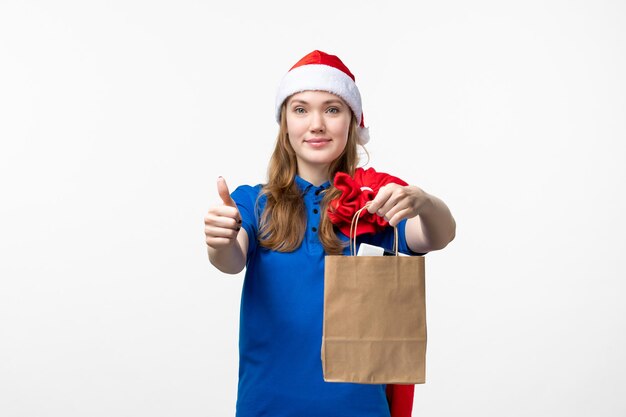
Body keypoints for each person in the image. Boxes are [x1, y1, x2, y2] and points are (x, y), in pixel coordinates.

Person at [204, 50, 456, 417]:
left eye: (332, 109)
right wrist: (221, 238)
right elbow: (230, 260)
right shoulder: (252, 201)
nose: (317, 123)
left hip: (359, 408)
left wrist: (425, 202)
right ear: (285, 123)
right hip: (268, 406)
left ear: (351, 123)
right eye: (301, 109)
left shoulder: (375, 196)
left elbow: (435, 237)